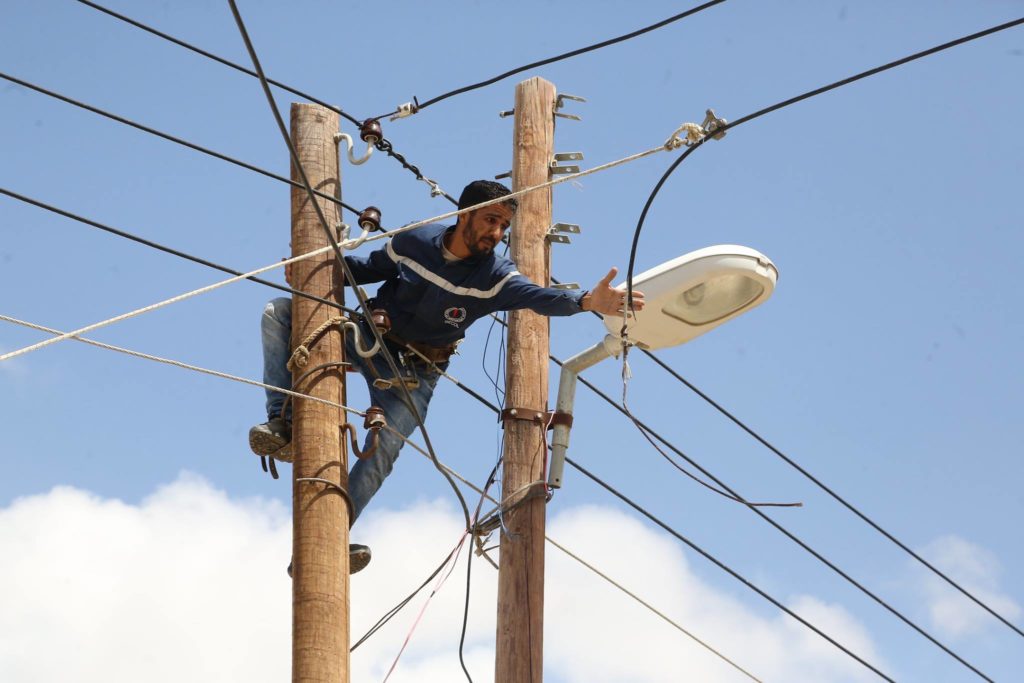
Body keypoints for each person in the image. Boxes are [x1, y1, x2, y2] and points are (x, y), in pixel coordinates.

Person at [249, 180, 644, 573]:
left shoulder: (495, 276)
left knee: (384, 450)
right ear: (464, 214)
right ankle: (283, 424)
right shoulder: (414, 242)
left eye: (504, 226)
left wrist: (586, 301)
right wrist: (312, 267)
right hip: (367, 336)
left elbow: (539, 297)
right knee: (278, 313)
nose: (496, 233)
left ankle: (328, 536)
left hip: (414, 372)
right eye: (490, 220)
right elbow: (366, 270)